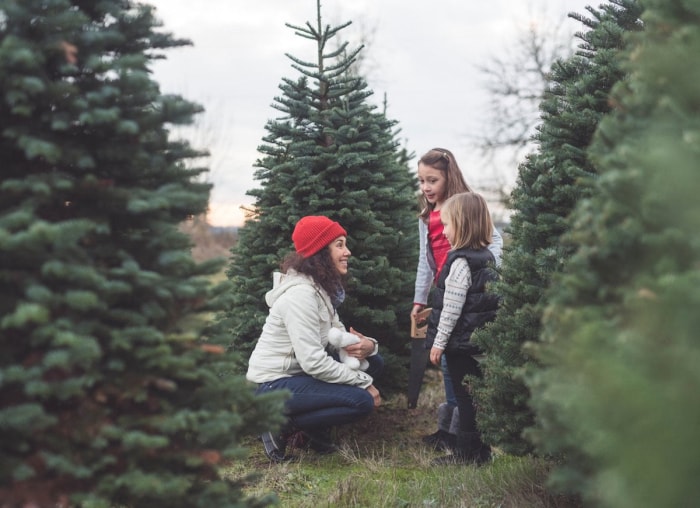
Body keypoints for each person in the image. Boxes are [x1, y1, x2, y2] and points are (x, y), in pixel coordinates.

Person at [246, 215, 384, 462]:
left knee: (376, 362)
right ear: (321, 253)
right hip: (274, 386)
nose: (347, 252)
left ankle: (311, 430)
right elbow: (313, 362)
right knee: (361, 401)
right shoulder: (300, 296)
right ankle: (279, 424)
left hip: (298, 377)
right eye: (339, 245)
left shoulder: (319, 289)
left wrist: (369, 346)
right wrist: (363, 382)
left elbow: (339, 335)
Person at [410, 148, 503, 451]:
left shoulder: (465, 208)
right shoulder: (427, 216)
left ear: (449, 177)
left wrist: (482, 270)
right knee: (452, 364)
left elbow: (494, 240)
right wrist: (419, 298)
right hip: (446, 288)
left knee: (455, 365)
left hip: (462, 293)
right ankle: (451, 430)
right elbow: (425, 260)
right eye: (421, 180)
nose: (425, 187)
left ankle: (461, 435)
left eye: (432, 180)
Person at [426, 192, 499, 465]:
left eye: (447, 224)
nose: (444, 231)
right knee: (474, 397)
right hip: (477, 341)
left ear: (463, 224)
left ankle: (467, 454)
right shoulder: (486, 256)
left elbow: (451, 308)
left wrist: (438, 343)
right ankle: (481, 451)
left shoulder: (460, 262)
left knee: (465, 398)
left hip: (460, 344)